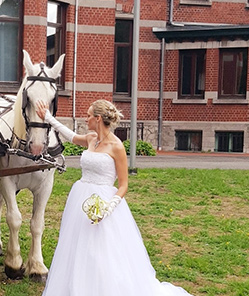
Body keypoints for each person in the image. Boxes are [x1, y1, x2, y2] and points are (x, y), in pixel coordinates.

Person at [36, 99, 193, 296]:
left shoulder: (116, 146)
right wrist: (48, 117)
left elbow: (124, 184)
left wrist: (109, 207)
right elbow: (70, 135)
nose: (86, 119)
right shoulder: (92, 138)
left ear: (98, 118)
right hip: (80, 197)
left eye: (88, 115)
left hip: (105, 201)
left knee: (103, 251)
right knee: (76, 246)